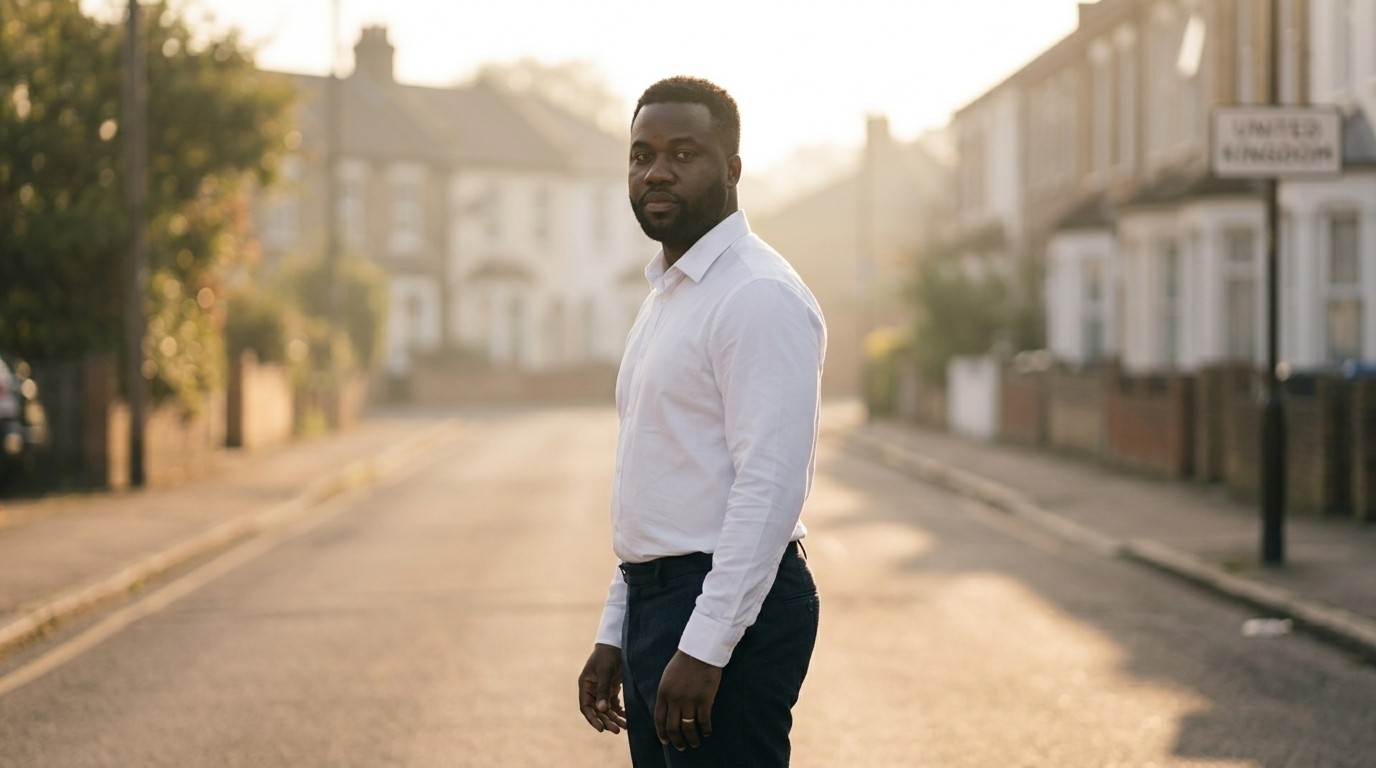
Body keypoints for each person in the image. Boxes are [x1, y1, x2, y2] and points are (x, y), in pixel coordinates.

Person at [577, 76, 827, 767]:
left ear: (733, 170)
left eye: (683, 154)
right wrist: (615, 630)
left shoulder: (756, 295)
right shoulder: (669, 295)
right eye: (640, 155)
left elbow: (770, 488)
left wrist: (706, 645)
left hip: (724, 606)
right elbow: (657, 483)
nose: (656, 171)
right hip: (658, 602)